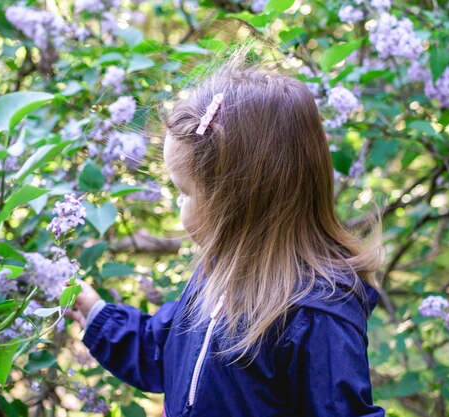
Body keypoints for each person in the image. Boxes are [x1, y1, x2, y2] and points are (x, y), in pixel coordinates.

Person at [66, 47, 387, 417]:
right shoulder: (217, 279)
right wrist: (95, 312)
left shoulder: (315, 315)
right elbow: (163, 350)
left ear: (237, 199)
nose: (178, 206)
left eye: (184, 192)